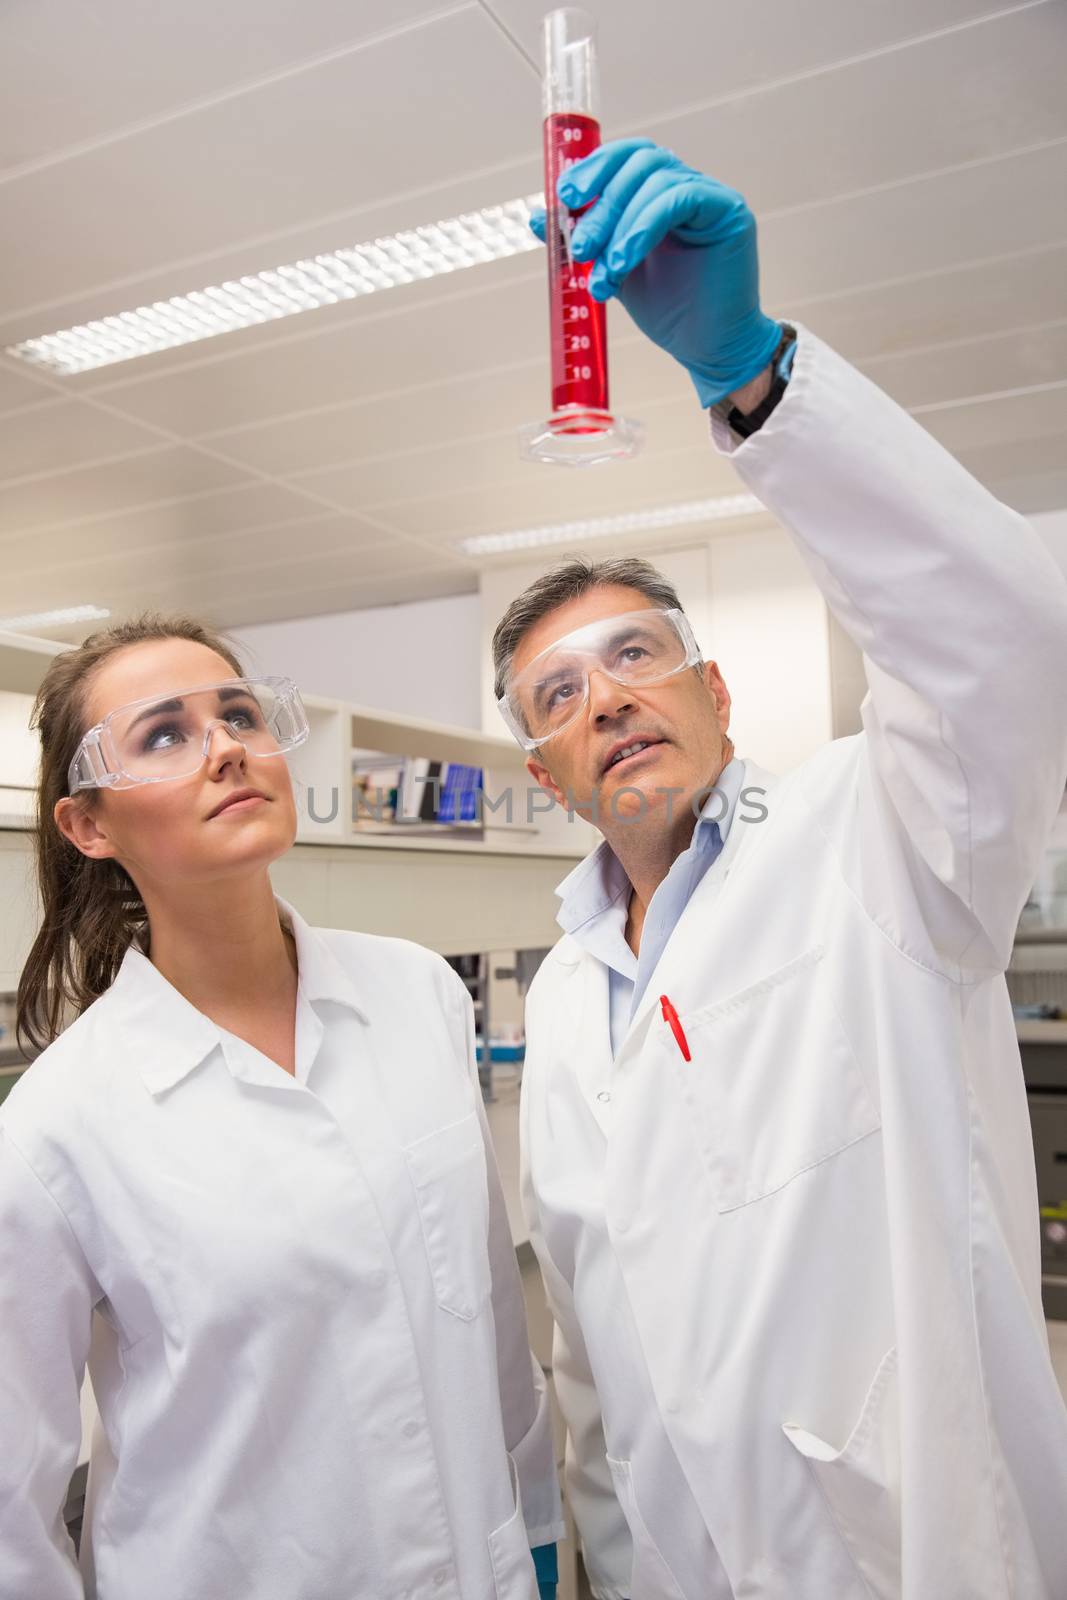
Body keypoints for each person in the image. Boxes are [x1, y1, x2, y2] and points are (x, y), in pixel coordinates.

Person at [494, 139, 1067, 1599]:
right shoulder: (564, 1000)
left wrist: (750, 376)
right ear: (542, 775)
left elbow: (1003, 642)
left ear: (715, 695)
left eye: (635, 657)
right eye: (556, 696)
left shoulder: (875, 838)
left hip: (899, 1548)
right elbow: (597, 1343)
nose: (605, 700)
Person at [0, 615, 563, 1600]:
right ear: (89, 825)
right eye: (164, 734)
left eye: (240, 715)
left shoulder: (418, 992)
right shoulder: (56, 1128)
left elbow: (485, 1317)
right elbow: (12, 1504)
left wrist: (539, 1526)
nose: (225, 748)